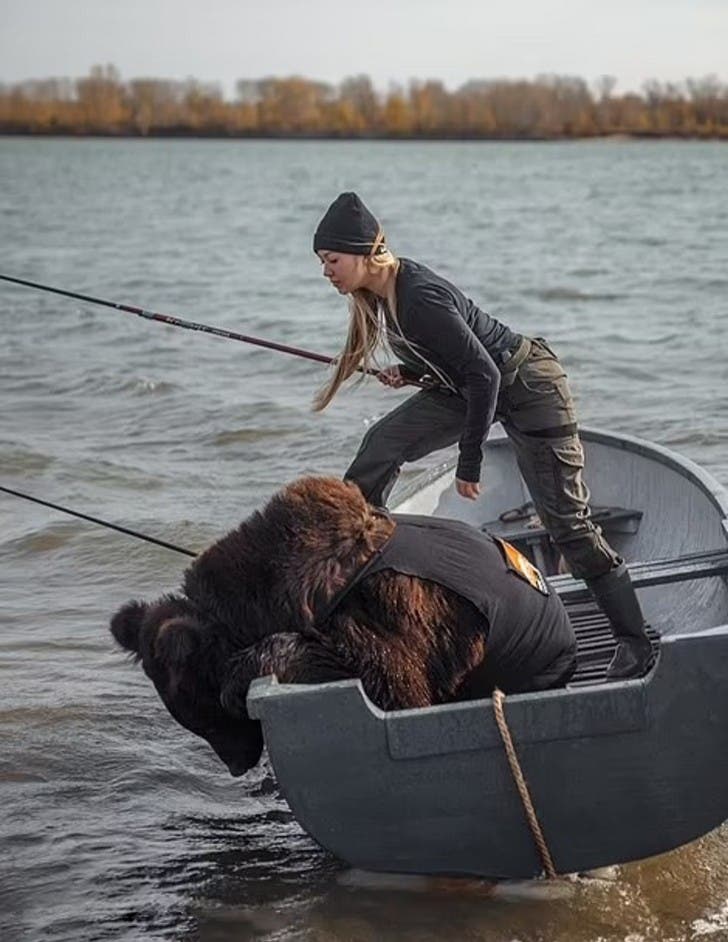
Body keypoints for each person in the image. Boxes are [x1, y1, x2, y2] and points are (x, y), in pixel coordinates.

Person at [311, 191, 654, 681]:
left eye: (332, 260)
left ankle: (635, 643)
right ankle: (356, 557)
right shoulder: (383, 298)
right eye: (322, 262)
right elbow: (456, 362)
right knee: (382, 445)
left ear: (364, 253)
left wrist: (468, 462)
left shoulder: (419, 297)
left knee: (567, 526)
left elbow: (485, 374)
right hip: (471, 388)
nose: (326, 271)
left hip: (528, 386)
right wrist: (411, 372)